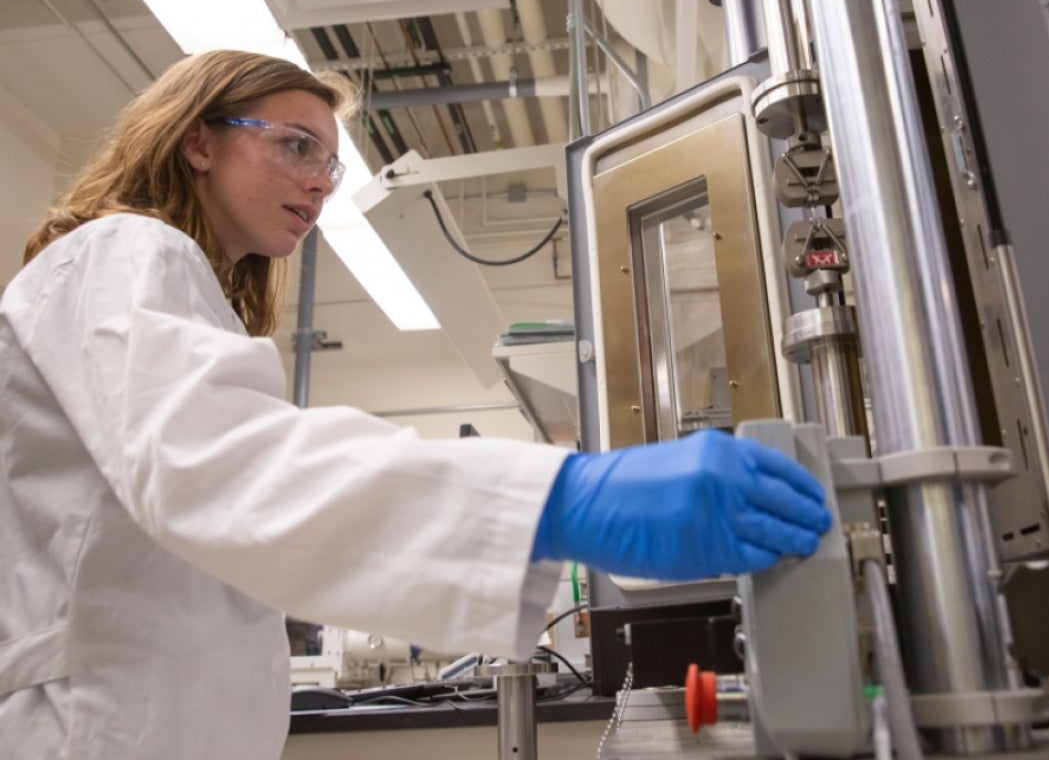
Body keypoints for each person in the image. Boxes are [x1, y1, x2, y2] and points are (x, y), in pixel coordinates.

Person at [0, 50, 832, 759]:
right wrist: (557, 499)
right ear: (196, 141)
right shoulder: (122, 250)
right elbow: (225, 466)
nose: (319, 183)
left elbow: (232, 515)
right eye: (296, 146)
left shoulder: (169, 287)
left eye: (329, 164)